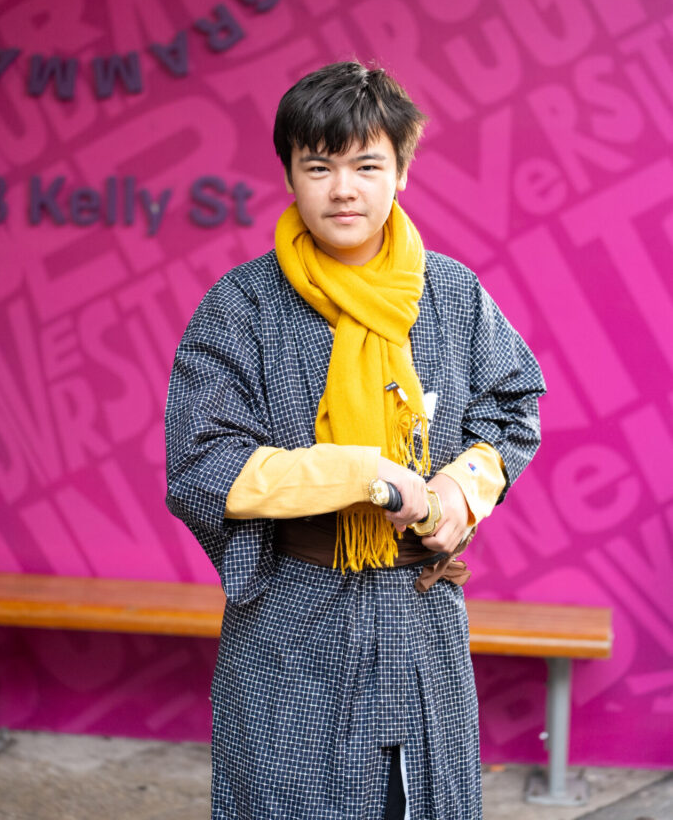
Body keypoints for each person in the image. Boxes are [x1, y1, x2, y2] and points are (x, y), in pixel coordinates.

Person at [165, 62, 545, 820]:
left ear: (401, 172)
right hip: (290, 620)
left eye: (367, 166)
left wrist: (457, 492)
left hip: (420, 614)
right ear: (289, 175)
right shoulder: (241, 307)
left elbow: (511, 407)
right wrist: (365, 474)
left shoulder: (452, 294)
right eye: (319, 166)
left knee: (421, 803)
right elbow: (201, 464)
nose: (343, 189)